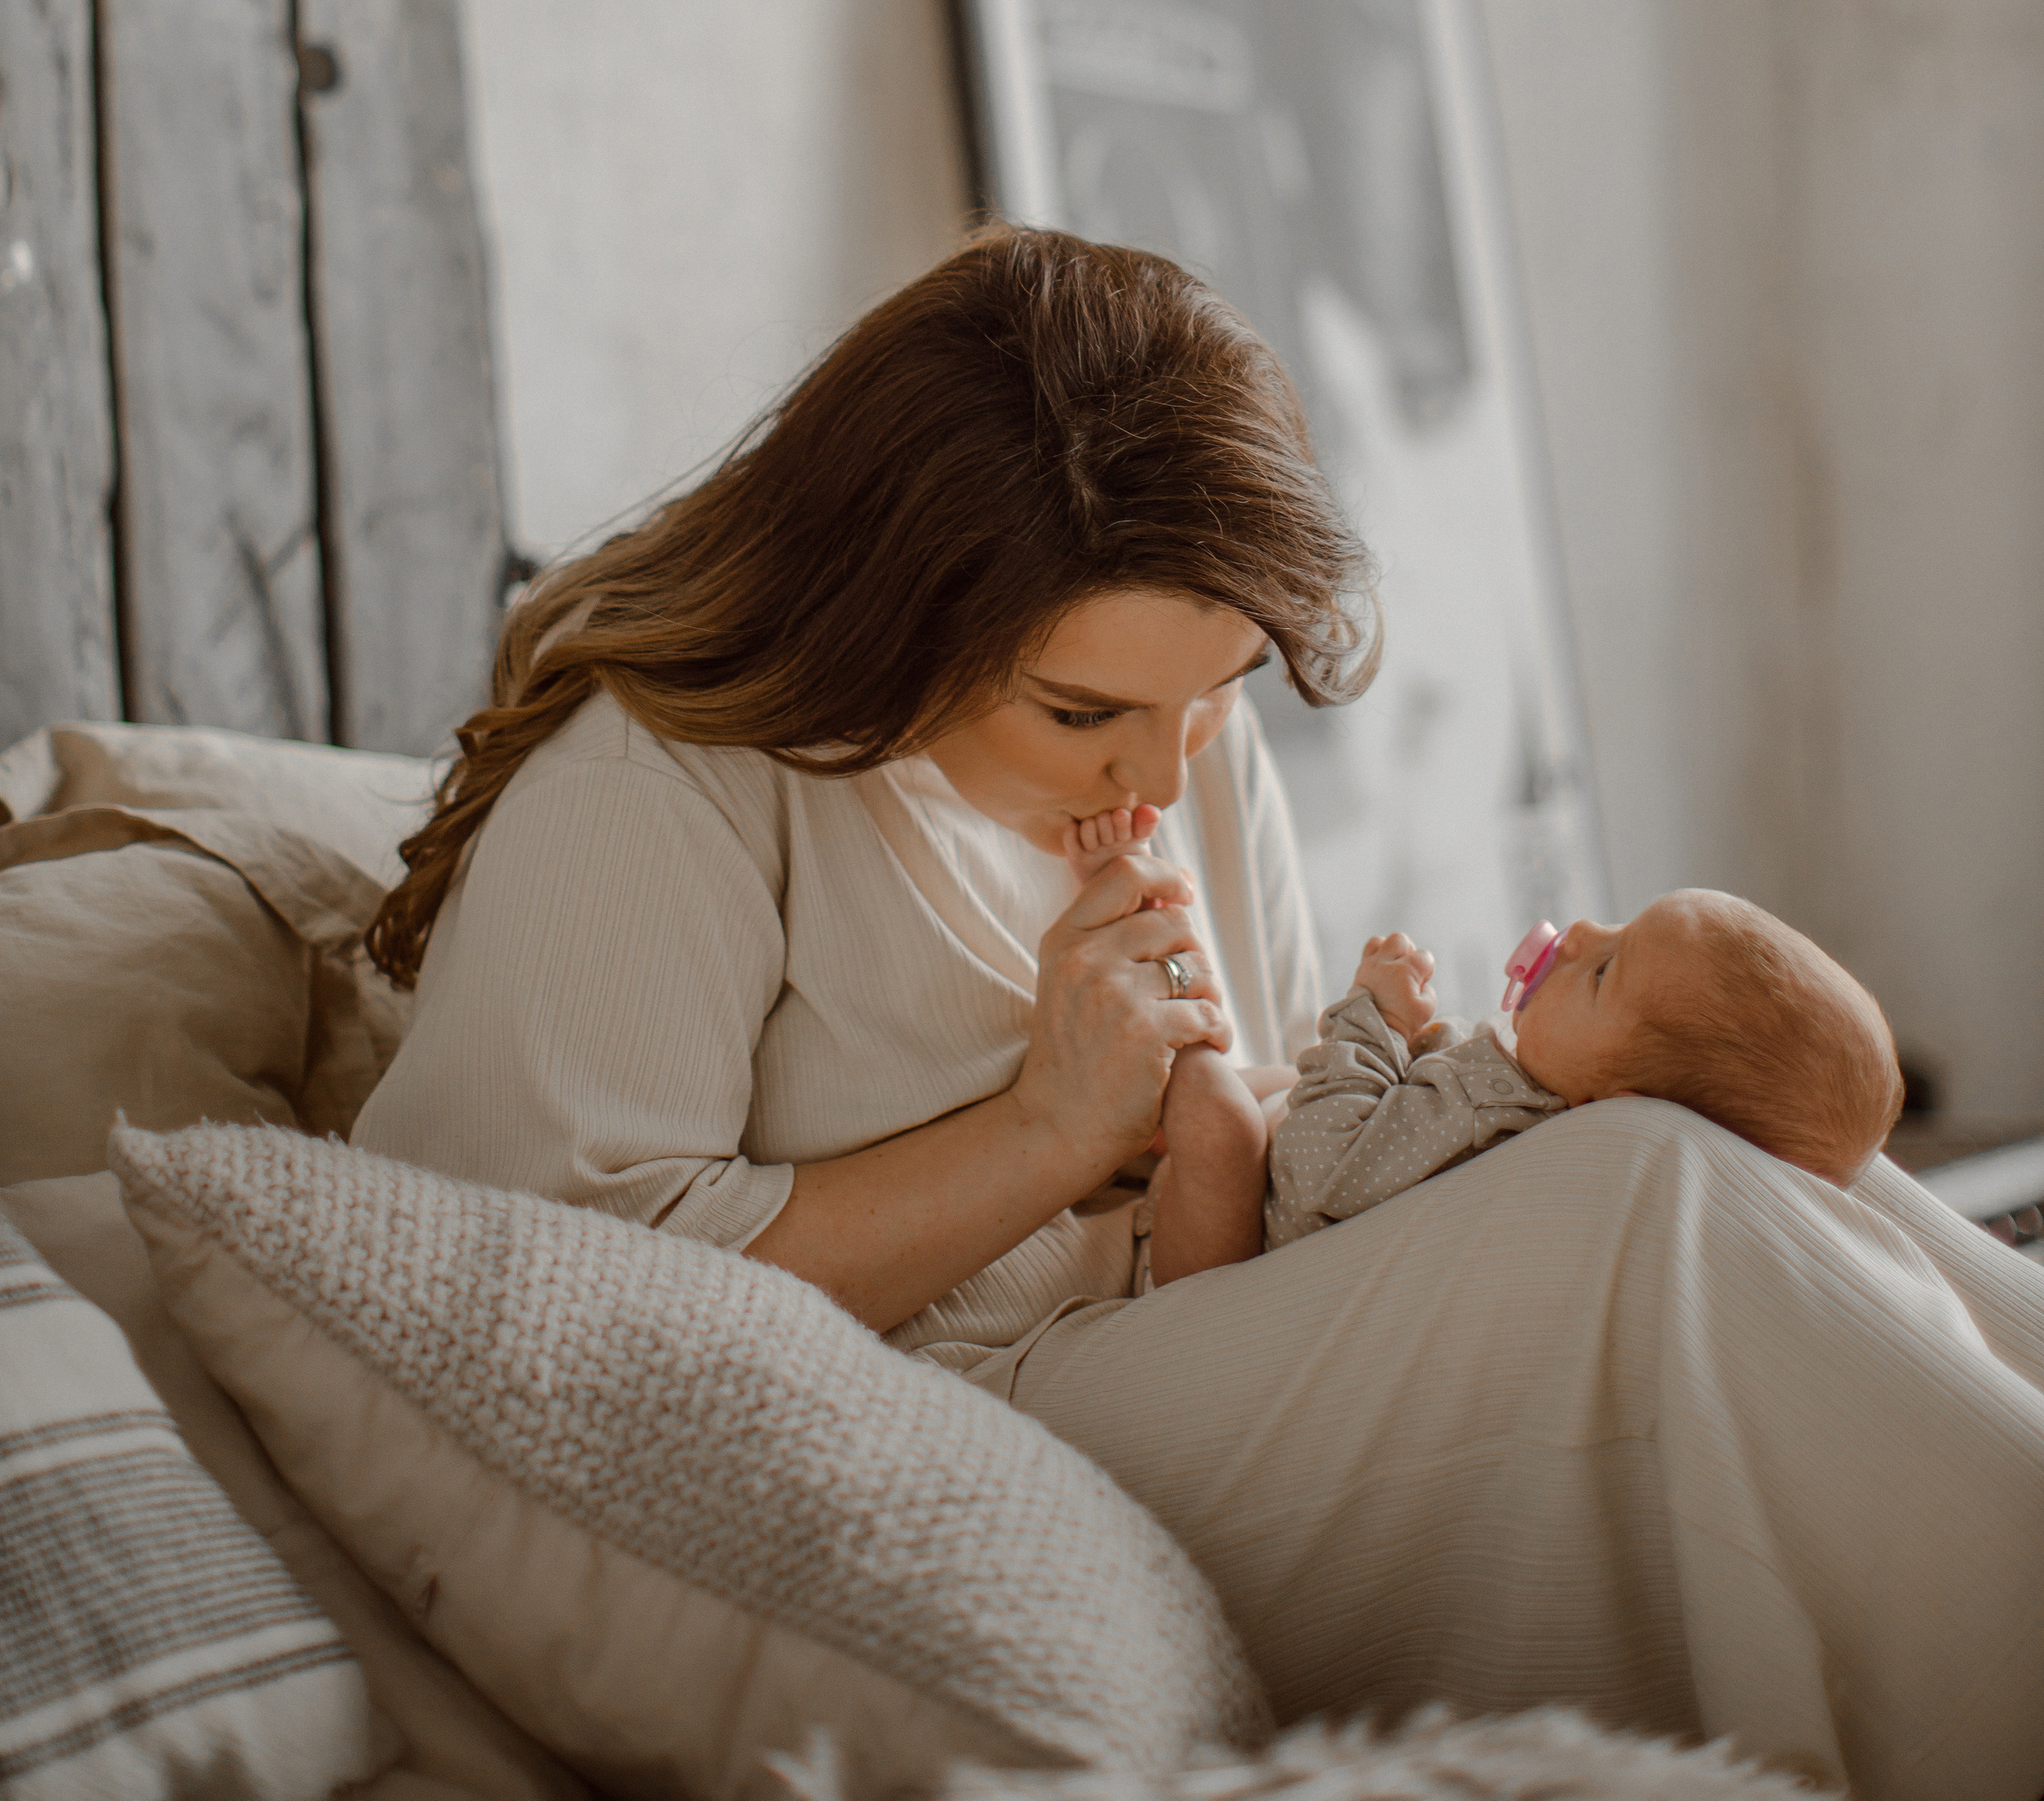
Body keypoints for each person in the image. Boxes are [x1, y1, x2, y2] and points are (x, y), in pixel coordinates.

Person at [356, 226, 2044, 1801]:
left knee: (1691, 1140)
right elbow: (555, 1313)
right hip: (969, 1437)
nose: (1165, 774)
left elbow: (1264, 1190)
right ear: (883, 606)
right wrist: (1041, 1136)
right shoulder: (665, 790)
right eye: (1084, 708)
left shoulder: (1178, 746)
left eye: (1216, 698)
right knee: (1641, 1215)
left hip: (1198, 1332)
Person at [1259, 897, 1904, 1254]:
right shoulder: (1517, 1094)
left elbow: (1318, 1168)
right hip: (1266, 1174)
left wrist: (1372, 1018)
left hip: (1236, 1235)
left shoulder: (1488, 1112)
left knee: (1217, 1110)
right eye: (1620, 927)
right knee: (1253, 1087)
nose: (1580, 934)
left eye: (1602, 970)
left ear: (1621, 1104)